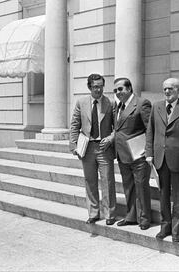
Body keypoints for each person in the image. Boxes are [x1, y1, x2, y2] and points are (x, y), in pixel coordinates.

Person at [145, 78, 179, 243]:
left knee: (178, 196)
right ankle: (165, 226)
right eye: (165, 89)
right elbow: (150, 132)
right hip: (160, 158)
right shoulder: (156, 107)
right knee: (163, 195)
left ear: (178, 90)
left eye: (171, 89)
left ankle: (177, 230)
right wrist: (149, 153)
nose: (167, 92)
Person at [69, 73, 117, 226]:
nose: (98, 90)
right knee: (90, 181)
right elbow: (75, 125)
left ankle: (109, 213)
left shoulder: (110, 103)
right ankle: (94, 213)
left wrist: (110, 138)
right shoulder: (81, 102)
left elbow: (117, 127)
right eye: (95, 87)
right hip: (87, 148)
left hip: (104, 148)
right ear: (89, 87)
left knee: (108, 181)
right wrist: (74, 146)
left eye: (101, 86)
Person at [113, 77, 152, 230]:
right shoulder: (118, 106)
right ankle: (131, 216)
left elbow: (150, 129)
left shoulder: (142, 103)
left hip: (139, 154)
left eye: (120, 89)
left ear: (129, 89)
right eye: (115, 90)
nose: (117, 92)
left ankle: (144, 219)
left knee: (141, 187)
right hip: (123, 154)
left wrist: (148, 152)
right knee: (128, 187)